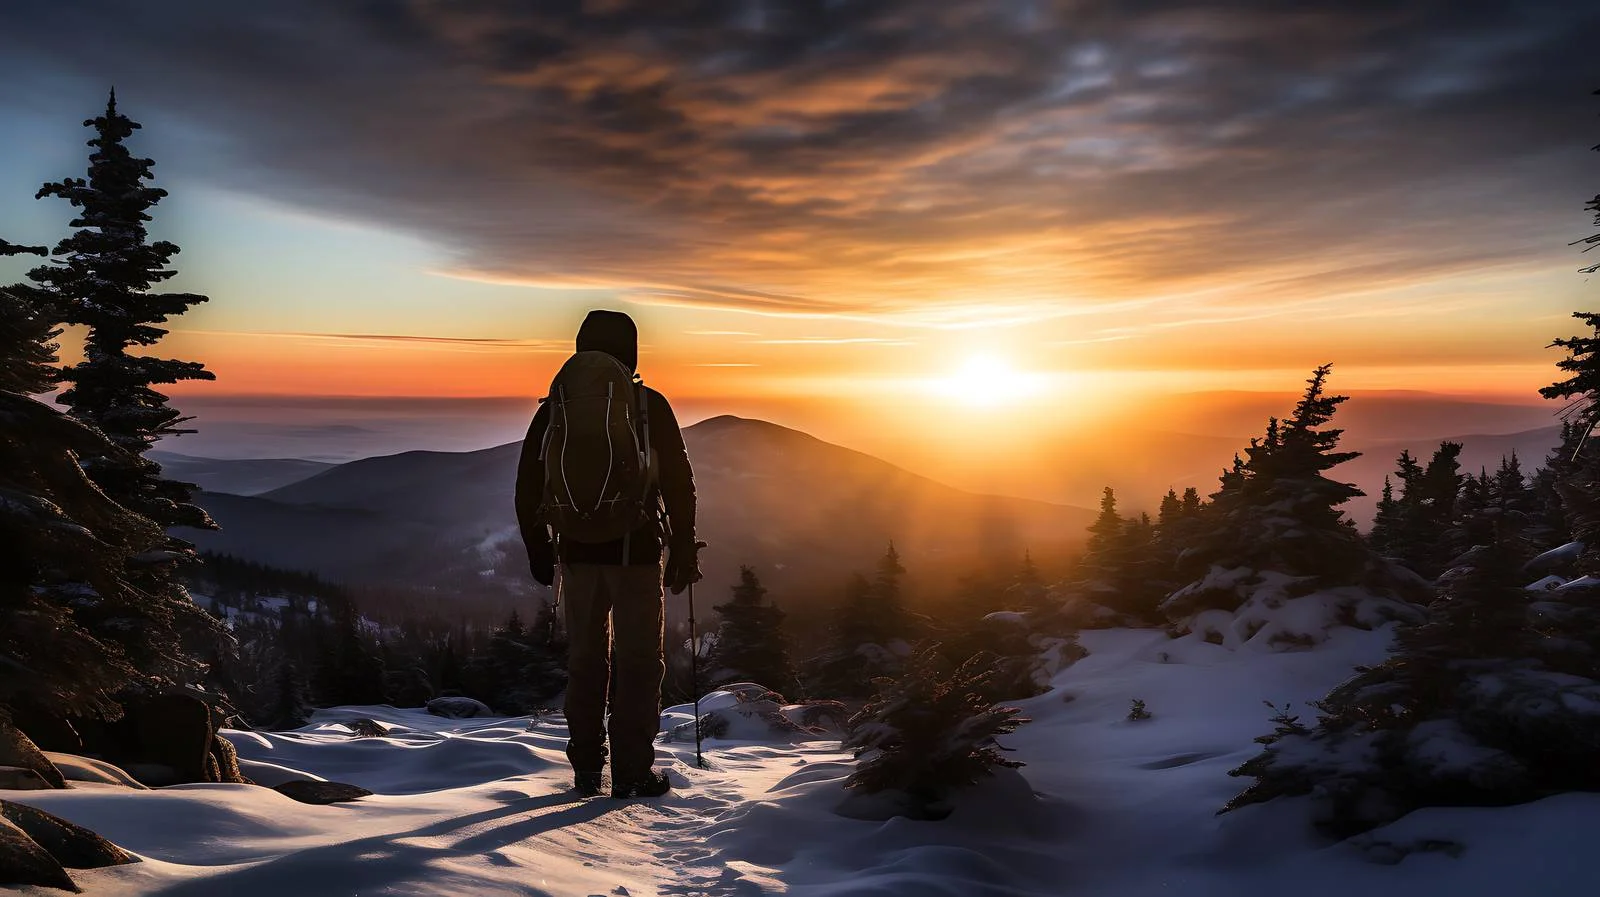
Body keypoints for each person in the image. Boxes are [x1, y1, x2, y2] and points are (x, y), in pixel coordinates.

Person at [515, 310, 700, 798]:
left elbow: (528, 484)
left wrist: (537, 549)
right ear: (631, 352)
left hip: (575, 556)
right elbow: (679, 481)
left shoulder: (554, 409)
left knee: (585, 661)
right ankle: (633, 772)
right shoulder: (647, 405)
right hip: (635, 554)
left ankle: (585, 770)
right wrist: (683, 545)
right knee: (639, 663)